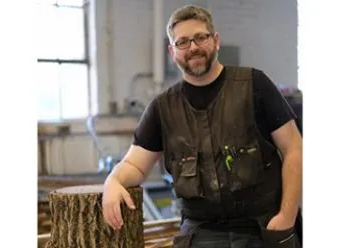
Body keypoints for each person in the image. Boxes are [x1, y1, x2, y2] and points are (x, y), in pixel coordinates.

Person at [102, 4, 302, 248]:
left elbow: (294, 148)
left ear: (215, 40)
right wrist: (113, 180)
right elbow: (134, 164)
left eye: (200, 37)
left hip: (262, 229)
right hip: (201, 234)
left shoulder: (254, 85)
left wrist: (286, 216)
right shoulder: (162, 108)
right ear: (172, 51)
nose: (193, 47)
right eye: (182, 42)